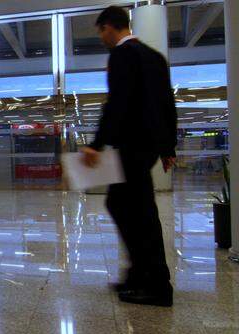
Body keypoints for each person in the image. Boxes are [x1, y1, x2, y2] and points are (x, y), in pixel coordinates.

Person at [81, 6, 177, 307]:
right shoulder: (155, 57)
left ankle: (156, 283)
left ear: (110, 27)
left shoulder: (122, 56)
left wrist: (96, 144)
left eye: (101, 32)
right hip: (147, 147)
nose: (101, 38)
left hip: (132, 145)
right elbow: (167, 104)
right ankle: (138, 273)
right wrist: (167, 147)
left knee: (136, 211)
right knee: (131, 206)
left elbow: (117, 103)